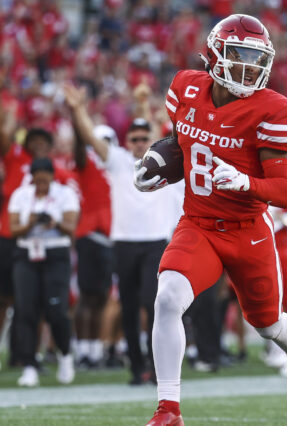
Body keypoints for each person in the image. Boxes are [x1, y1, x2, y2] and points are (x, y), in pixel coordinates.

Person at [134, 14, 287, 425]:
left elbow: (284, 192)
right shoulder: (185, 88)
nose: (249, 67)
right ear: (216, 53)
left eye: (257, 59)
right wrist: (160, 167)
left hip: (247, 232)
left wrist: (245, 182)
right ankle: (169, 409)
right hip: (198, 224)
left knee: (268, 325)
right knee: (167, 299)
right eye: (240, 55)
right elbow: (186, 147)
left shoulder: (274, 111)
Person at [63, 86, 184, 385]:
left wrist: (143, 102)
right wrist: (78, 109)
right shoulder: (118, 160)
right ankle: (136, 366)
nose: (141, 143)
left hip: (156, 241)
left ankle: (157, 366)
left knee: (150, 302)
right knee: (128, 307)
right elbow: (91, 138)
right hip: (125, 243)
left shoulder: (162, 162)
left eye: (145, 138)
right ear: (127, 141)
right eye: (135, 138)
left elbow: (159, 135)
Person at [8, 157, 79, 386]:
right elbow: (13, 230)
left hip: (55, 252)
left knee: (56, 309)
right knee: (26, 309)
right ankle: (29, 365)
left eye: (44, 178)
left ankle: (65, 355)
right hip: (27, 253)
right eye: (36, 179)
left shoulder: (65, 194)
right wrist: (29, 223)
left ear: (52, 176)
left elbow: (71, 228)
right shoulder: (21, 195)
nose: (40, 183)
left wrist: (54, 222)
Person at [72, 123, 114, 369]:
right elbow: (79, 150)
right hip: (89, 235)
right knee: (87, 296)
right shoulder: (87, 163)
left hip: (111, 236)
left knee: (101, 296)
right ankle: (83, 350)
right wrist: (77, 122)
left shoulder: (120, 166)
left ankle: (95, 350)